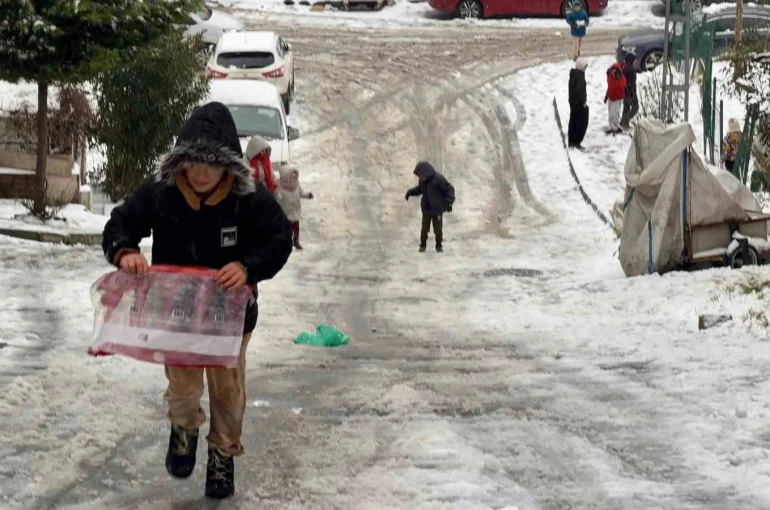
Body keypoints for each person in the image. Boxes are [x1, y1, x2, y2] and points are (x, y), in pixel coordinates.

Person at [102, 102, 293, 500]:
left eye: (212, 163)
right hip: (178, 316)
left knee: (227, 391)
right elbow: (120, 222)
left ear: (228, 165)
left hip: (231, 320)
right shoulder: (161, 195)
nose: (201, 172)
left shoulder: (250, 200)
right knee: (183, 386)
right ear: (181, 161)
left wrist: (247, 266)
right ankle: (184, 429)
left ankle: (223, 453)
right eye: (193, 162)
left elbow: (278, 239)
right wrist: (125, 251)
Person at [405, 161, 455, 253]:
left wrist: (449, 202)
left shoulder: (439, 179)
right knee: (424, 229)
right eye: (418, 176)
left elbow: (449, 189)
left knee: (438, 230)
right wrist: (410, 192)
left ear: (426, 173)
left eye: (420, 175)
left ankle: (439, 245)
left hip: (437, 209)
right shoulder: (422, 181)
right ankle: (423, 245)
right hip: (426, 208)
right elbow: (420, 189)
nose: (419, 177)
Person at [274, 167, 314, 250]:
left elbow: (302, 193)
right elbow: (277, 198)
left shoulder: (297, 186)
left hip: (295, 210)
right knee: (288, 229)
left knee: (296, 226)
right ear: (285, 178)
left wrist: (307, 195)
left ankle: (296, 240)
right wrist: (277, 197)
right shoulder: (280, 188)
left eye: (295, 177)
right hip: (286, 212)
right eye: (291, 178)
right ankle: (286, 242)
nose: (294, 179)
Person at [568, 58, 589, 150]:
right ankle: (576, 142)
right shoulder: (580, 77)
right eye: (585, 67)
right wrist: (583, 102)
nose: (585, 69)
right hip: (579, 104)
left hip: (573, 102)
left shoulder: (573, 75)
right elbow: (579, 92)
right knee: (581, 123)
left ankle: (571, 141)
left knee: (573, 121)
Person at [604, 61, 626, 135]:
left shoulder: (621, 78)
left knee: (615, 112)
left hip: (617, 98)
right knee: (611, 112)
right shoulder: (610, 77)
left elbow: (622, 87)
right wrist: (607, 96)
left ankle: (615, 127)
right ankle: (612, 126)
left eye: (616, 72)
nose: (614, 73)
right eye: (613, 72)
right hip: (611, 97)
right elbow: (610, 87)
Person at [620, 53, 639, 130]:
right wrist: (632, 93)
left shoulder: (625, 68)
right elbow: (631, 83)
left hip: (624, 92)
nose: (636, 62)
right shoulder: (631, 70)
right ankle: (625, 121)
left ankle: (623, 123)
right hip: (630, 93)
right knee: (635, 108)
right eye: (634, 61)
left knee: (626, 108)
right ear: (631, 61)